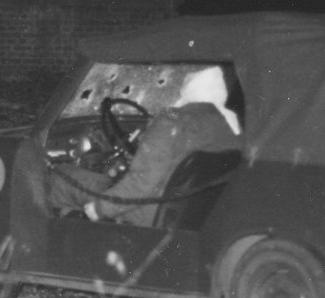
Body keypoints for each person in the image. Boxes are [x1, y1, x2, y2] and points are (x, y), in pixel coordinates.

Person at [54, 66, 243, 227]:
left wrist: (99, 208)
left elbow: (141, 185)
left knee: (62, 178)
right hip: (189, 211)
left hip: (148, 210)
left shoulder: (171, 118)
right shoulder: (229, 127)